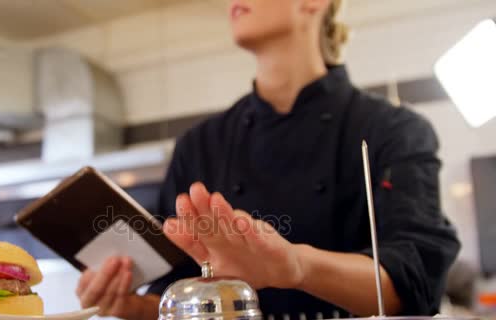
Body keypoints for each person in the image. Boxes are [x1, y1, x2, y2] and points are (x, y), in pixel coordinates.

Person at [76, 0, 460, 319]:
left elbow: (415, 281)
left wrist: (296, 266)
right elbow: (171, 296)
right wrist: (130, 305)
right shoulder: (199, 145)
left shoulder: (392, 130)